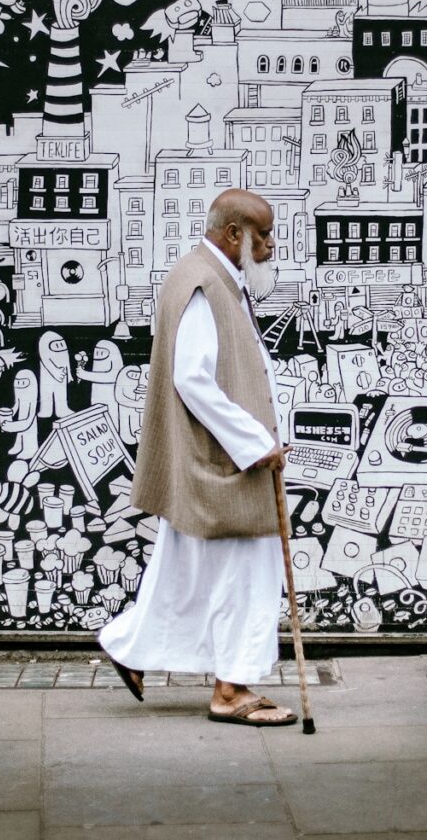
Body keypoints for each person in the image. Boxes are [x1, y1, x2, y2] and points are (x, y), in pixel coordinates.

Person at [99, 188, 297, 727]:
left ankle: (130, 647)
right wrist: (255, 445)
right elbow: (192, 378)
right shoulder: (205, 284)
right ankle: (231, 691)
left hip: (211, 464)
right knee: (247, 574)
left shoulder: (209, 277)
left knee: (184, 567)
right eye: (264, 235)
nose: (272, 245)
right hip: (225, 467)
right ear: (234, 234)